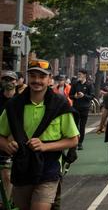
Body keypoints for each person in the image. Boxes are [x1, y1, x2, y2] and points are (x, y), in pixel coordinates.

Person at [0, 59, 79, 210]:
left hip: (48, 168)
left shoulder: (60, 105)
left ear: (50, 79)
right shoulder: (13, 106)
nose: (37, 80)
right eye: (33, 76)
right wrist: (7, 145)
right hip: (21, 167)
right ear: (28, 77)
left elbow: (73, 140)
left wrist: (45, 146)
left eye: (42, 77)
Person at [0, 71, 17, 197]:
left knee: (7, 174)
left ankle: (7, 201)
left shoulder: (20, 100)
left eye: (11, 80)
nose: (8, 83)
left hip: (12, 141)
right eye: (5, 80)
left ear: (16, 82)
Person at [69, 69, 95, 150]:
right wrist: (75, 97)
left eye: (80, 74)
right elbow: (70, 95)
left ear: (84, 75)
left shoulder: (89, 85)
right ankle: (75, 142)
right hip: (76, 107)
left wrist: (84, 95)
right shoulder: (75, 84)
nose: (78, 75)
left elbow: (92, 97)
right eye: (78, 74)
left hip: (85, 108)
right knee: (75, 126)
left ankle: (80, 143)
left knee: (82, 126)